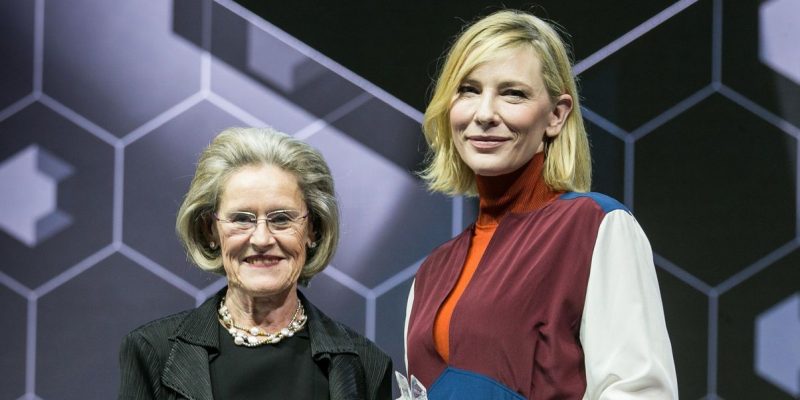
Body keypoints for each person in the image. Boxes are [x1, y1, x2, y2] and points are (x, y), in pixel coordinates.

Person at [404, 10, 678, 400]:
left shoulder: (595, 226)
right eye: (468, 89)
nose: (484, 114)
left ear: (556, 114)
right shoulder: (431, 273)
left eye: (512, 93)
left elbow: (640, 392)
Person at [118, 127, 392, 400]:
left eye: (282, 218)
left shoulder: (365, 366)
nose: (261, 238)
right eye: (242, 218)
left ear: (314, 230)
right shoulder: (152, 352)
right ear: (210, 231)